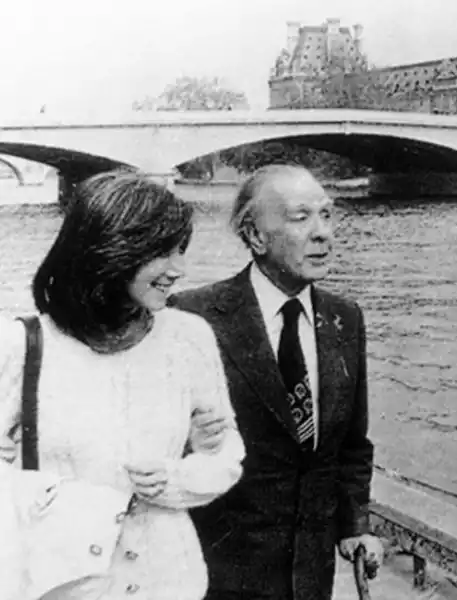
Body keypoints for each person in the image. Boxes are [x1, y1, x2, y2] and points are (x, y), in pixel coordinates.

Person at [0, 170, 246, 599]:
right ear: (110, 252)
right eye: (164, 253)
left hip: (169, 581)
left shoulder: (189, 337)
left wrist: (180, 478)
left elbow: (226, 450)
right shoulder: (22, 344)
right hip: (64, 586)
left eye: (181, 251)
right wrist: (66, 499)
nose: (179, 270)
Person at [169, 164, 383, 600]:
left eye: (327, 214)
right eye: (300, 217)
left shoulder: (345, 317)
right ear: (254, 236)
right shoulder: (193, 317)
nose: (323, 232)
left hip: (311, 574)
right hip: (219, 574)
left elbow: (351, 445)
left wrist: (355, 525)